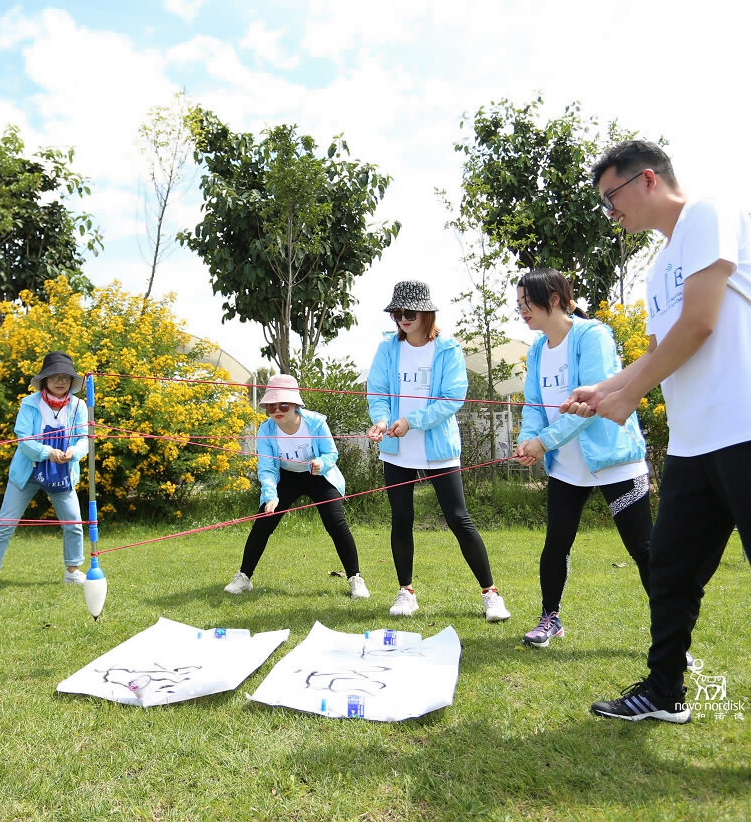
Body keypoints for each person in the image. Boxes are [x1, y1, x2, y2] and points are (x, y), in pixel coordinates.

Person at [567, 140, 751, 793]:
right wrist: (609, 388)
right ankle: (665, 689)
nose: (609, 212)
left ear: (647, 180)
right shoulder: (656, 271)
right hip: (696, 444)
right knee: (671, 573)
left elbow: (701, 324)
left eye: (611, 197)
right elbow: (664, 350)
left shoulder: (709, 213)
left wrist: (627, 395)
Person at [513, 267, 652, 648]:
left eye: (527, 303)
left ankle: (672, 637)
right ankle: (550, 619)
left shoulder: (593, 336)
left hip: (615, 462)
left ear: (554, 299)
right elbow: (533, 405)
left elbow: (595, 404)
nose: (522, 310)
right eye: (519, 304)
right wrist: (528, 441)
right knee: (556, 543)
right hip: (567, 469)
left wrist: (544, 442)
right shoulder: (537, 350)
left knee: (643, 549)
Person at [366, 280, 509, 621]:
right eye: (397, 312)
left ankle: (490, 594)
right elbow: (378, 391)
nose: (403, 318)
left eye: (409, 312)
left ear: (426, 313)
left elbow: (452, 398)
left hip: (439, 448)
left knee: (458, 518)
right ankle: (406, 591)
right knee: (402, 519)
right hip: (396, 449)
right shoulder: (387, 348)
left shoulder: (448, 348)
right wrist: (382, 420)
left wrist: (411, 422)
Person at [223, 374, 369, 599]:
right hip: (287, 477)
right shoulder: (266, 430)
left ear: (295, 405)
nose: (277, 410)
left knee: (336, 523)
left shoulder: (316, 423)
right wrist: (271, 496)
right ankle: (244, 577)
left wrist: (321, 463)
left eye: (283, 405)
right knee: (263, 523)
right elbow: (267, 468)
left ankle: (355, 579)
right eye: (271, 406)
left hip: (318, 475)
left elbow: (331, 453)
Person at [0, 351, 89, 593]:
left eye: (65, 377)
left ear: (71, 381)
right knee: (6, 522)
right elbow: (23, 440)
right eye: (55, 376)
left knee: (74, 523)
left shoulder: (79, 406)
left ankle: (73, 571)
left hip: (62, 473)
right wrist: (47, 452)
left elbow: (84, 439)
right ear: (44, 379)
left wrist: (73, 452)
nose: (60, 381)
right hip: (26, 472)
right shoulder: (29, 403)